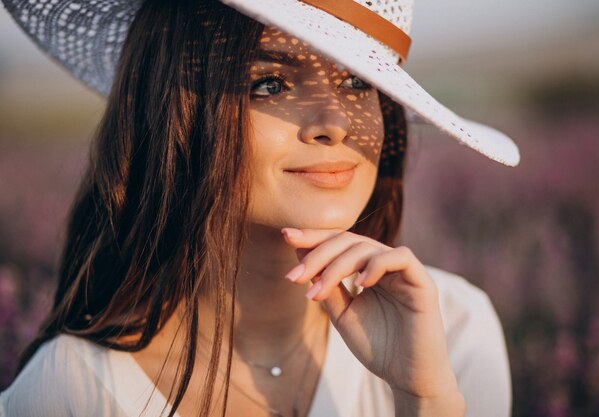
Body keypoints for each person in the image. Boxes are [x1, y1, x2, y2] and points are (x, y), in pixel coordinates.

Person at [0, 0, 518, 416]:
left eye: (359, 81)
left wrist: (425, 400)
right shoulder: (68, 392)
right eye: (270, 83)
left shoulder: (452, 329)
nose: (333, 123)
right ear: (179, 114)